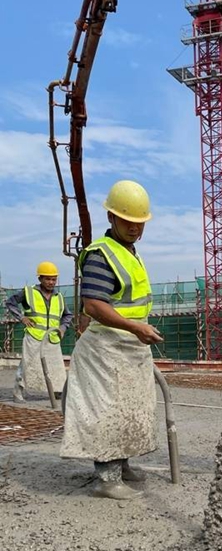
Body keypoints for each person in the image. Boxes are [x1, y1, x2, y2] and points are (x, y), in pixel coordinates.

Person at [60, 180, 163, 500]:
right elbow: (93, 305)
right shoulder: (101, 254)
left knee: (131, 407)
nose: (134, 228)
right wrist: (136, 328)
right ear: (111, 218)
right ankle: (106, 478)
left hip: (129, 347)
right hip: (107, 348)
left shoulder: (128, 252)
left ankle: (122, 463)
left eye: (139, 223)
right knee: (107, 410)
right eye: (128, 221)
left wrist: (137, 330)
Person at [6, 262, 72, 402]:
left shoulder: (59, 297)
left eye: (53, 279)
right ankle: (19, 390)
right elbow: (10, 302)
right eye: (47, 279)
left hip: (52, 337)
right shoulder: (29, 292)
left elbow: (67, 315)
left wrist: (63, 328)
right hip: (34, 335)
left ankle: (58, 390)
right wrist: (21, 317)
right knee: (28, 364)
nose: (51, 282)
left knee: (56, 366)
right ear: (40, 279)